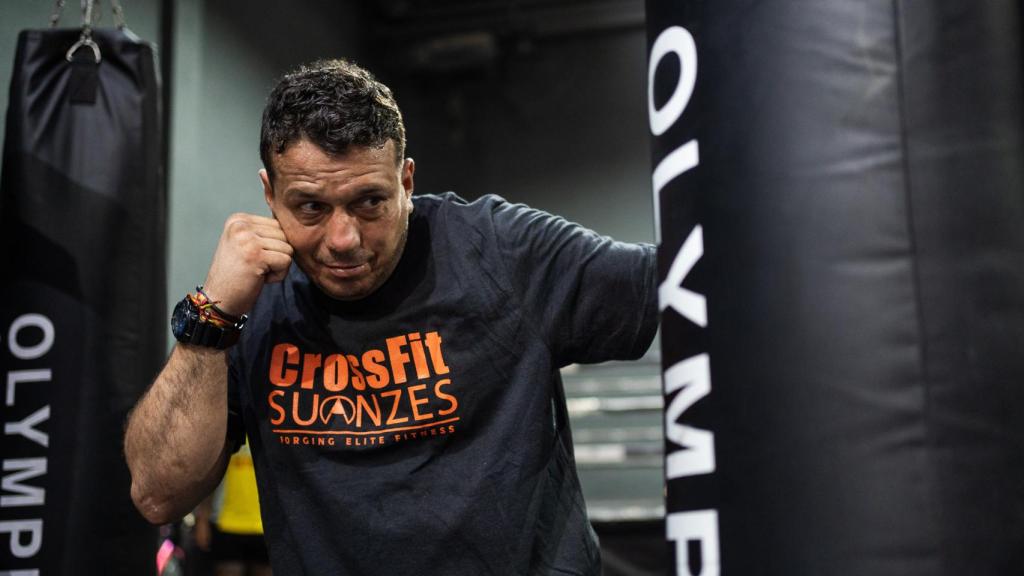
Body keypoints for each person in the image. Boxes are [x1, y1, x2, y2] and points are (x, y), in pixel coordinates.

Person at [124, 58, 658, 575]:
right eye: (310, 206)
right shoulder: (251, 301)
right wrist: (208, 321)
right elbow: (157, 494)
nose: (343, 239)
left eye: (369, 202)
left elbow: (687, 285)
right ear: (269, 194)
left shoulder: (500, 251)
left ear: (406, 182)